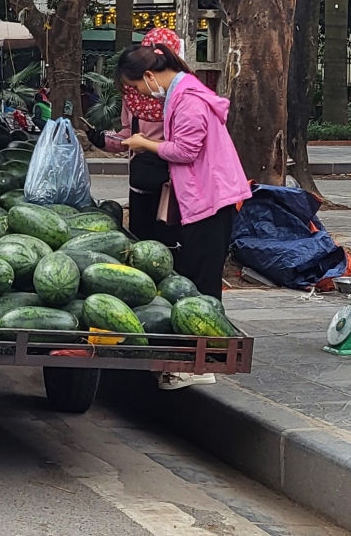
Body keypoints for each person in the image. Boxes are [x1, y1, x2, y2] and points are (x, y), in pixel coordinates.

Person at [109, 41, 251, 389]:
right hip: (203, 198)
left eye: (137, 86)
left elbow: (185, 151)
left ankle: (203, 364)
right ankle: (196, 358)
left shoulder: (188, 100)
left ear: (148, 75)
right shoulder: (182, 93)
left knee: (203, 284)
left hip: (211, 199)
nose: (140, 93)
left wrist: (145, 144)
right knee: (195, 277)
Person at [87, 28, 182, 248]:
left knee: (169, 245)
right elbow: (126, 136)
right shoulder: (133, 97)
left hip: (171, 186)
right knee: (141, 243)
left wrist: (148, 146)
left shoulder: (181, 97)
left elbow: (185, 147)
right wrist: (103, 140)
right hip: (140, 183)